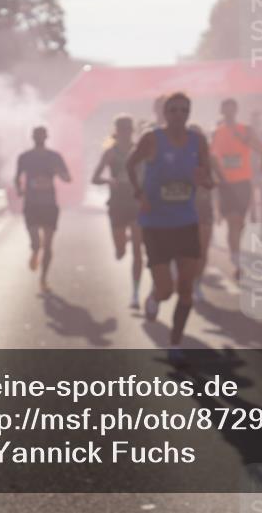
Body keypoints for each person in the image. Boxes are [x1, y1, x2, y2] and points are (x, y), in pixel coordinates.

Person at [127, 92, 213, 366]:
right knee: (166, 289)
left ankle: (175, 342)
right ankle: (154, 296)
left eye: (183, 110)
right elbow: (131, 164)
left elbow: (207, 178)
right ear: (165, 113)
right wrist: (139, 193)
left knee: (185, 288)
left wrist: (205, 182)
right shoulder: (152, 139)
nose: (178, 115)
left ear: (189, 113)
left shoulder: (198, 141)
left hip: (186, 221)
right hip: (156, 224)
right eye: (173, 110)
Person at [91, 114, 143, 308]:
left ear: (132, 131)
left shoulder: (140, 150)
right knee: (121, 251)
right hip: (117, 204)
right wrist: (108, 181)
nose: (125, 133)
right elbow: (94, 178)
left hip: (136, 204)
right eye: (122, 130)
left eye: (128, 129)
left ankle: (136, 294)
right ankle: (122, 243)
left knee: (138, 252)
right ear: (117, 132)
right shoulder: (110, 153)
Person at [14, 126, 71, 293]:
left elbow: (67, 178)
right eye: (37, 135)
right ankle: (34, 249)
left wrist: (58, 172)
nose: (39, 138)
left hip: (49, 205)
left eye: (42, 135)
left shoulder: (54, 157)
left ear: (46, 137)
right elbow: (17, 177)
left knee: (48, 244)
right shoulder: (25, 157)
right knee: (37, 242)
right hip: (31, 204)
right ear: (33, 137)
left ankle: (43, 278)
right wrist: (19, 189)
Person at [210, 98, 261, 280]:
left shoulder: (245, 130)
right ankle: (236, 258)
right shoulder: (216, 132)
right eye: (226, 110)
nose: (229, 113)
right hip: (226, 184)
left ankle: (235, 251)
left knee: (239, 223)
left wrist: (246, 140)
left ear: (236, 111)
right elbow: (212, 157)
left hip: (243, 183)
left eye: (232, 110)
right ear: (222, 112)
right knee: (233, 221)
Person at [190, 123, 218, 302]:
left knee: (203, 249)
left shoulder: (210, 159)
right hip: (182, 208)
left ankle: (197, 284)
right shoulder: (178, 158)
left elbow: (219, 181)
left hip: (204, 207)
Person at [248, 109, 262, 229]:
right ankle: (253, 215)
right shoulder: (247, 135)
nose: (256, 122)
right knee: (252, 199)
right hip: (250, 169)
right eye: (254, 120)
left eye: (258, 120)